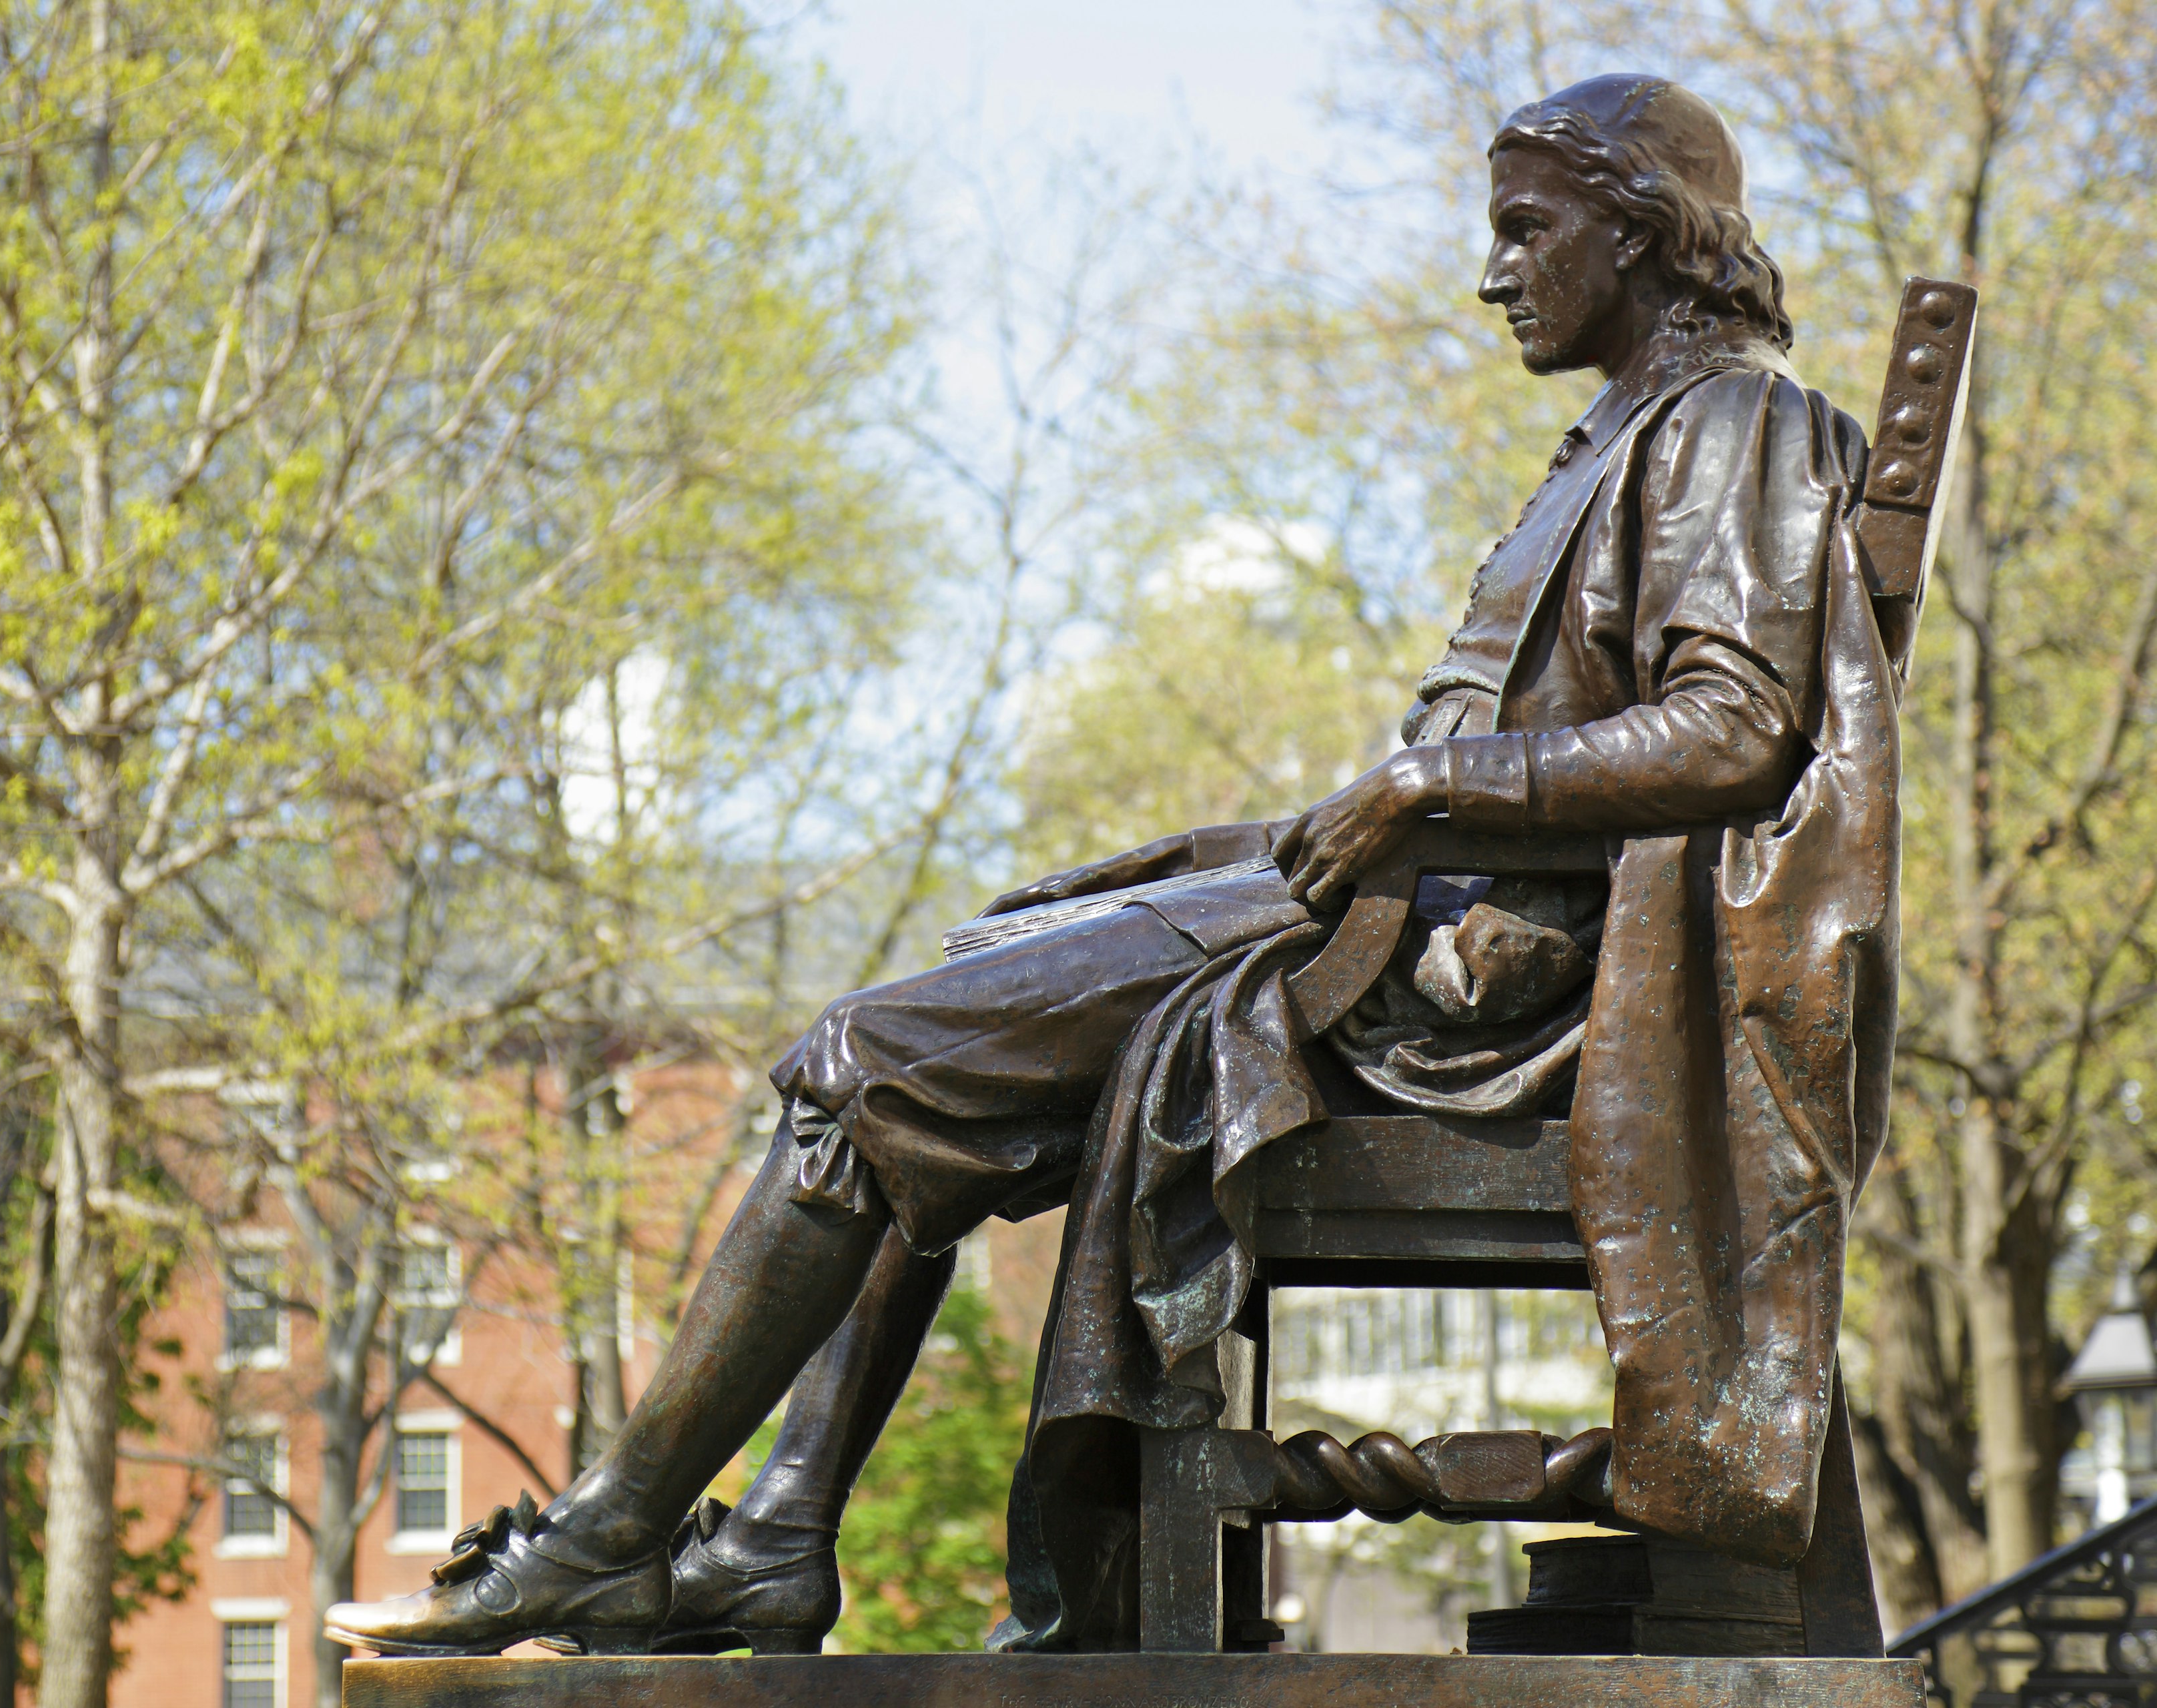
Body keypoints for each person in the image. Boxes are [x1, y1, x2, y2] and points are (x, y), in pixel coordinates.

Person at [324, 71, 1900, 1657]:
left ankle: (622, 1535)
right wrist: (1262, 840)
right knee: (947, 1002)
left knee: (865, 1060)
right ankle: (779, 1530)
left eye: (1524, 229)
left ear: (1639, 234)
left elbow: (1738, 729)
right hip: (1395, 937)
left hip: (1474, 1003)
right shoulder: (1636, 431)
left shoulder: (1734, 423)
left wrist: (1427, 782)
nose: (1492, 272)